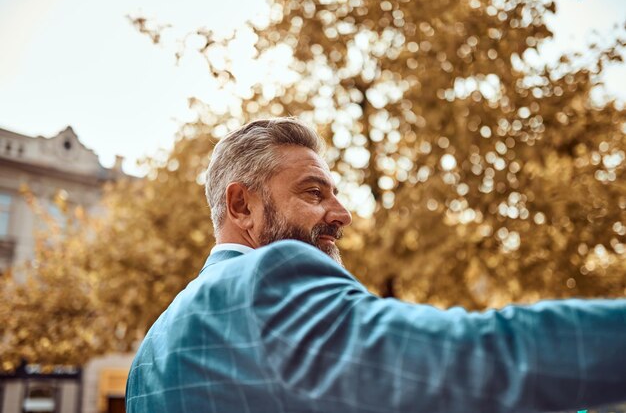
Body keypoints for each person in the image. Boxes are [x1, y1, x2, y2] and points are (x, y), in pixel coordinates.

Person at [126, 117, 626, 413]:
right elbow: (477, 357)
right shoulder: (268, 282)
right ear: (241, 207)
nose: (340, 214)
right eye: (313, 192)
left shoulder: (150, 354)